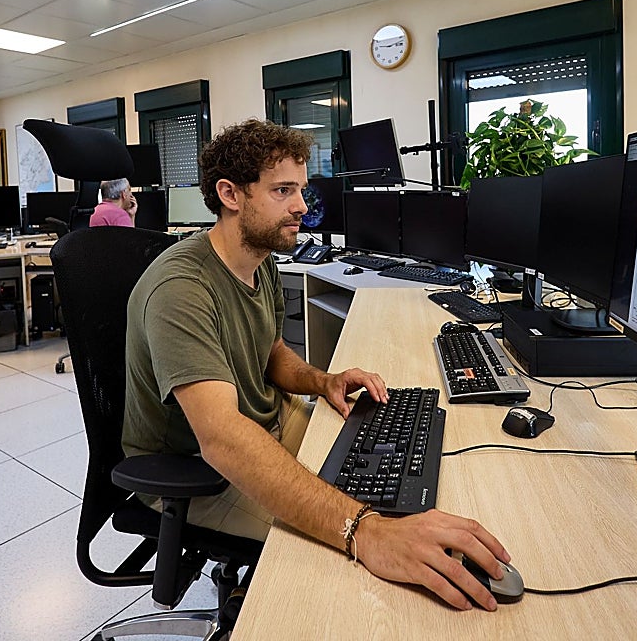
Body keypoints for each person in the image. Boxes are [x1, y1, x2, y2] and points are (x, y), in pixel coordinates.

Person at [124, 119, 511, 612]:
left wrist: (322, 380)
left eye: (301, 190)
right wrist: (363, 532)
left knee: (403, 482)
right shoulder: (181, 289)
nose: (302, 207)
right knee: (356, 563)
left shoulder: (258, 256)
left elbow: (267, 351)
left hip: (269, 425)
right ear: (230, 194)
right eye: (283, 190)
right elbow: (221, 439)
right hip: (197, 473)